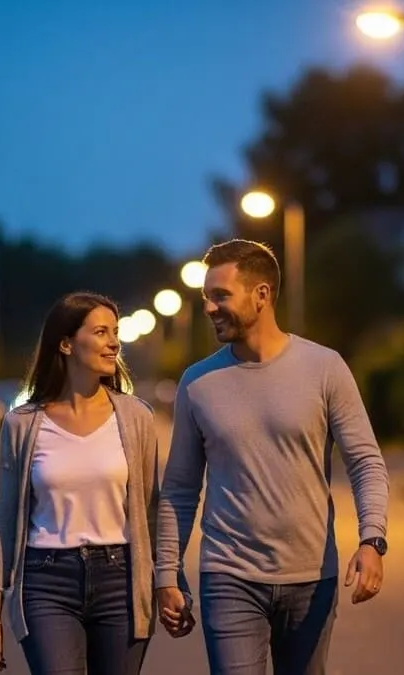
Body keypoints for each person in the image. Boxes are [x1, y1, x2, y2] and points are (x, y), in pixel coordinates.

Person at [155, 239, 390, 674]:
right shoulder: (197, 383)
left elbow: (365, 462)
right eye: (206, 297)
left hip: (311, 578)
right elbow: (180, 489)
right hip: (228, 575)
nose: (209, 307)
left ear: (261, 294)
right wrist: (166, 572)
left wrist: (372, 540)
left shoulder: (325, 368)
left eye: (220, 295)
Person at [0, 291, 191, 675]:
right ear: (66, 344)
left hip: (121, 580)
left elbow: (152, 509)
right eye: (100, 332)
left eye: (115, 332)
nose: (114, 343)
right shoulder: (22, 424)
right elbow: (5, 520)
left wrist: (170, 580)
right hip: (46, 581)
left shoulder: (136, 417)